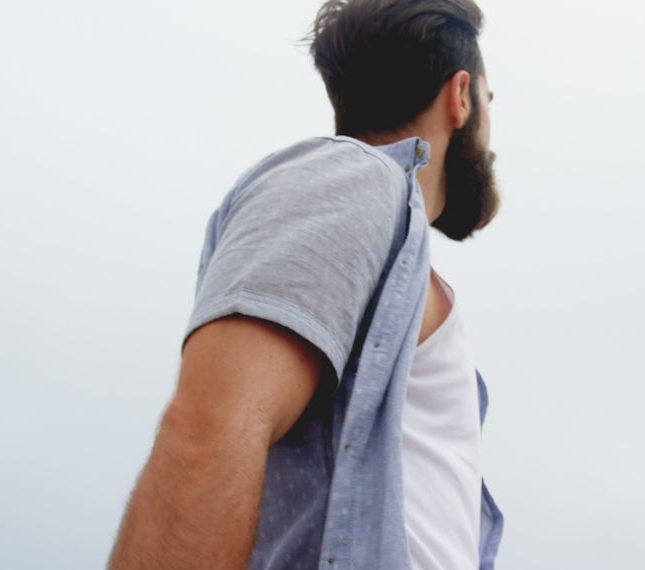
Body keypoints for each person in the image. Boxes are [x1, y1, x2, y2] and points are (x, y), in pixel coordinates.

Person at [108, 0, 504, 568]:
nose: (492, 139)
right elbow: (208, 432)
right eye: (490, 103)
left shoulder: (394, 239)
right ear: (461, 96)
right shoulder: (351, 180)